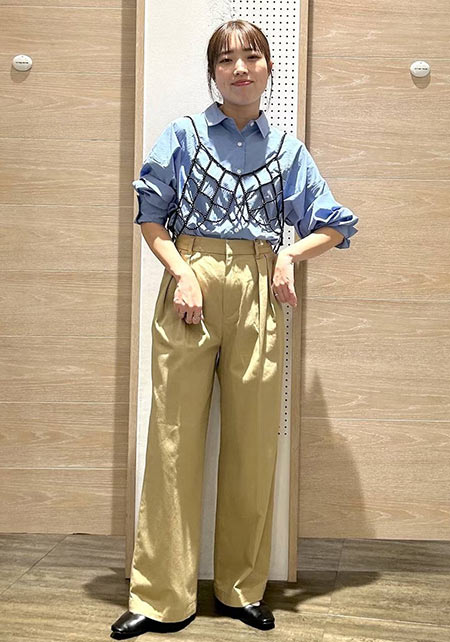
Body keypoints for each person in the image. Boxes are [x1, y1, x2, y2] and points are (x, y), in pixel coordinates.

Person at [111, 19, 359, 640]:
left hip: (258, 290)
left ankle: (240, 588)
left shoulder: (289, 152)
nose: (240, 68)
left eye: (251, 57)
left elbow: (336, 223)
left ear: (269, 68)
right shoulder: (183, 136)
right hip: (189, 285)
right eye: (226, 59)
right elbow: (151, 217)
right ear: (213, 72)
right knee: (172, 440)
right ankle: (159, 597)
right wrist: (182, 273)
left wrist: (288, 253)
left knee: (253, 442)